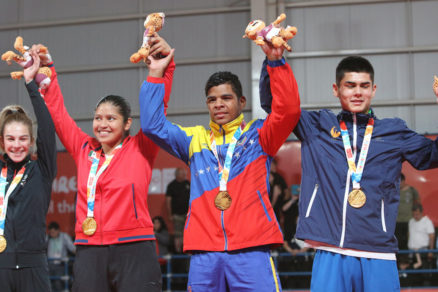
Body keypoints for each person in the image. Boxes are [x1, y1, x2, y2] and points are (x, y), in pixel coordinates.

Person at [260, 55, 438, 291]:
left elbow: (433, 155)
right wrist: (274, 61)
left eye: (364, 86)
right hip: (330, 251)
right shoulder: (317, 126)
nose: (357, 92)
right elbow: (276, 106)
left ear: (373, 90)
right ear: (336, 89)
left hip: (378, 253)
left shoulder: (394, 132)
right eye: (350, 85)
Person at [140, 42, 300, 291]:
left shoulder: (259, 135)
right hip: (205, 254)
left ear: (241, 101)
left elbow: (288, 111)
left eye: (226, 98)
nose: (219, 104)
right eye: (212, 100)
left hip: (252, 250)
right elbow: (152, 126)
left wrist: (276, 62)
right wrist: (158, 73)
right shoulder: (194, 140)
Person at [38, 34, 174, 292]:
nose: (102, 124)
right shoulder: (83, 149)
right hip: (90, 249)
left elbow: (158, 109)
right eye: (98, 118)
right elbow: (59, 116)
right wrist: (49, 72)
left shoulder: (142, 146)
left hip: (134, 246)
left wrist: (160, 72)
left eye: (111, 118)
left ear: (127, 124)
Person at [0, 49, 56, 291]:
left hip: (34, 269)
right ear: (2, 142)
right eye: (10, 139)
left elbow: (47, 129)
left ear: (32, 141)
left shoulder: (41, 171)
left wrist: (31, 85)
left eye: (23, 139)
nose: (17, 145)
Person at [165, 167, 190, 253]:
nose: (184, 175)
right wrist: (169, 214)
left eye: (184, 174)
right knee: (178, 234)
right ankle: (178, 252)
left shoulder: (188, 183)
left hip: (188, 214)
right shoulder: (171, 186)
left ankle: (187, 250)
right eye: (182, 174)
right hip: (177, 214)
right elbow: (168, 201)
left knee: (188, 233)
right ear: (177, 175)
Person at [47, 221, 76, 292]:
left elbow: (73, 249)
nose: (52, 234)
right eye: (50, 232)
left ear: (58, 230)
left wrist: (80, 256)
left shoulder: (64, 237)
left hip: (61, 265)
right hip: (49, 265)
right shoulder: (47, 237)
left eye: (53, 232)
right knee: (49, 284)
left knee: (58, 283)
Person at [396, 173, 420, 250]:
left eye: (399, 181)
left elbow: (418, 203)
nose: (398, 183)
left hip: (409, 220)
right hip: (396, 220)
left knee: (408, 240)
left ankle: (407, 259)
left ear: (403, 181)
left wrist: (416, 215)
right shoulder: (394, 191)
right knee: (397, 240)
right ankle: (398, 259)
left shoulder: (412, 190)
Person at [408, 204, 435, 268]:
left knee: (424, 272)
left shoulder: (427, 222)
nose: (415, 216)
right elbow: (409, 234)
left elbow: (432, 237)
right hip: (411, 252)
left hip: (423, 252)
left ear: (421, 212)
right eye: (413, 214)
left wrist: (430, 251)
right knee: (413, 274)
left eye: (417, 214)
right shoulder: (411, 221)